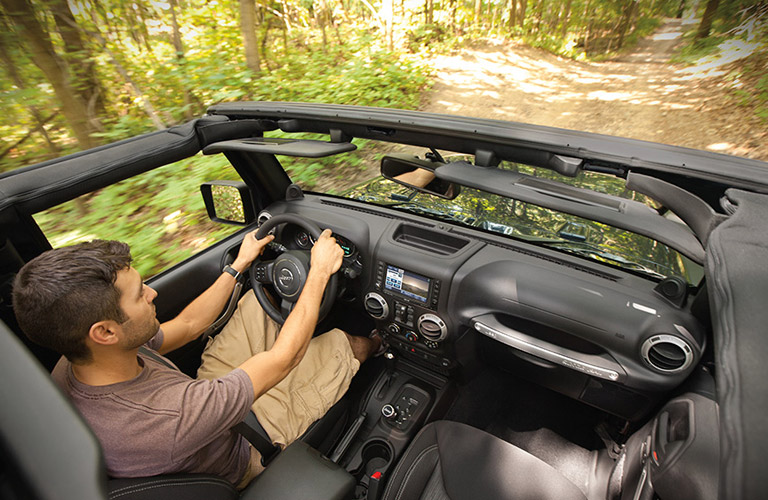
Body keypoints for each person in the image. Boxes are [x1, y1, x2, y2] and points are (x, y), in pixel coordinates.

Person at [12, 229, 381, 488]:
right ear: (105, 332)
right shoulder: (168, 420)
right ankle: (381, 344)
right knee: (344, 345)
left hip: (201, 398)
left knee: (259, 302)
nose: (153, 293)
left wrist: (238, 265)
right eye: (140, 294)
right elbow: (285, 358)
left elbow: (188, 325)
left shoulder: (81, 360)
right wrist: (318, 272)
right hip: (250, 440)